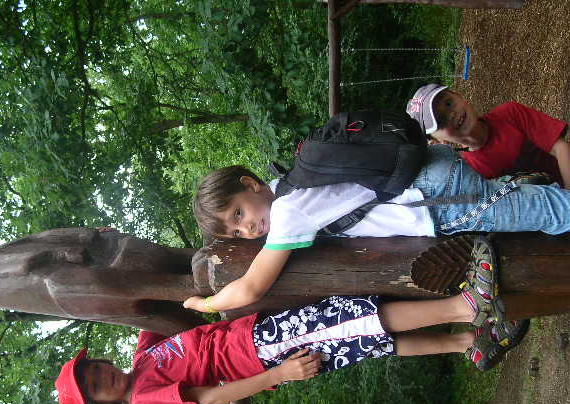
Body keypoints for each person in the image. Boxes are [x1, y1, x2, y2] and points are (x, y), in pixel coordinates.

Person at [56, 237, 529, 404]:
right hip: (262, 351)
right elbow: (211, 396)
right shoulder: (144, 398)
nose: (102, 376)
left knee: (370, 341)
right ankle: (467, 306)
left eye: (94, 369)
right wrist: (278, 375)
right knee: (353, 318)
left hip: (256, 338)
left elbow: (138, 310)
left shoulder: (142, 360)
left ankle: (469, 344)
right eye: (96, 387)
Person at [183, 142, 570, 316]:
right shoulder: (294, 183)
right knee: (521, 200)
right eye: (237, 233)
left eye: (238, 214)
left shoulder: (287, 212)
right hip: (430, 172)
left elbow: (252, 287)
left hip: (434, 201)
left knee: (548, 213)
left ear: (250, 184)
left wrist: (207, 304)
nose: (249, 228)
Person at [406, 83, 570, 188]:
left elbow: (561, 148)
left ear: (459, 95)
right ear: (437, 141)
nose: (452, 114)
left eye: (448, 103)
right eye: (440, 121)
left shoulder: (510, 114)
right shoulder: (471, 172)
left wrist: (567, 202)